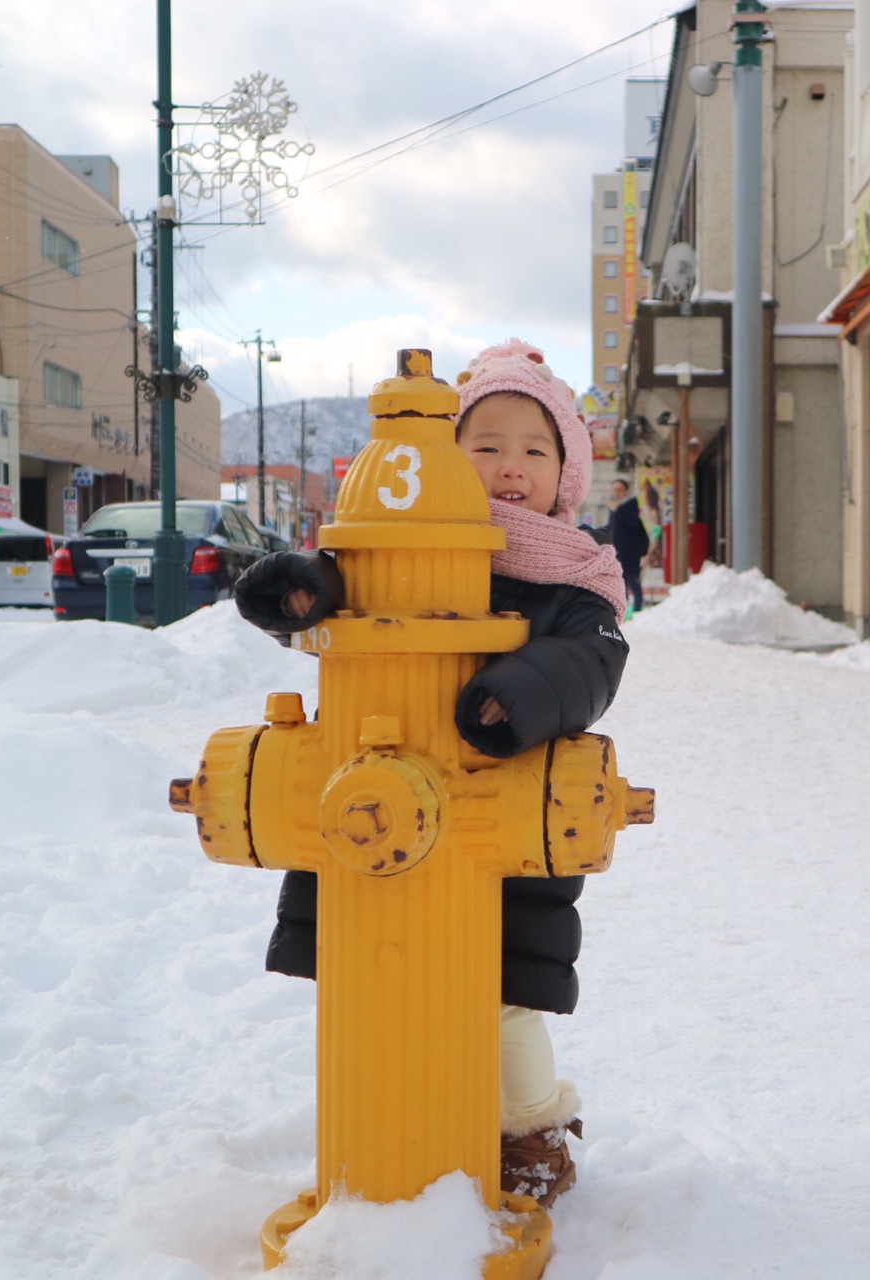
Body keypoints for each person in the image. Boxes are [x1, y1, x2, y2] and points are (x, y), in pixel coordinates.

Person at [233, 338, 629, 1208]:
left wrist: (516, 697)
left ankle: (531, 1130)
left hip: (499, 829)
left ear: (566, 471)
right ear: (447, 459)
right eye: (484, 445)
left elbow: (590, 663)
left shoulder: (573, 580)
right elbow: (328, 593)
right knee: (372, 987)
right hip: (376, 821)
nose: (510, 467)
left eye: (535, 449)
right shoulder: (394, 542)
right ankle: (386, 1132)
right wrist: (289, 592)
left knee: (504, 1004)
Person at [605, 478, 650, 616]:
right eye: (614, 490)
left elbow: (631, 524)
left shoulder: (630, 505)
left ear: (626, 491)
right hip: (618, 551)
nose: (616, 493)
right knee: (620, 581)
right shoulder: (614, 507)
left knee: (633, 580)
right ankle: (622, 610)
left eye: (619, 489)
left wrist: (617, 509)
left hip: (630, 551)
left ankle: (637, 610)